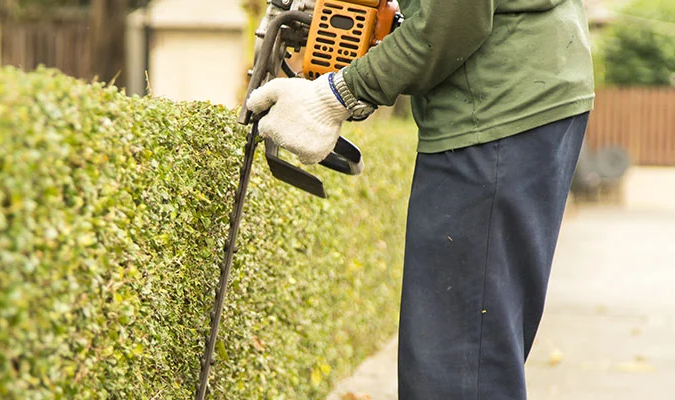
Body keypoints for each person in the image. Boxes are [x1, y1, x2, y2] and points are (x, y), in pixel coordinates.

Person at [246, 0, 595, 399]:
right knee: (478, 346)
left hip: (493, 112)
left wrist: (337, 94)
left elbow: (452, 21)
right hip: (525, 92)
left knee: (458, 364)